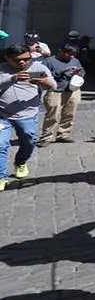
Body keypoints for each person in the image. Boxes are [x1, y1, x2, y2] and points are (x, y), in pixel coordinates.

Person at [0, 44, 55, 191]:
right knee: (1, 144)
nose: (23, 63)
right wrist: (12, 78)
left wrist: (44, 82)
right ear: (7, 58)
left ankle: (20, 162)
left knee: (29, 141)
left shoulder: (38, 68)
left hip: (28, 114)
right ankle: (1, 177)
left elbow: (53, 85)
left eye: (26, 59)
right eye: (17, 60)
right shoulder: (1, 69)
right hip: (2, 115)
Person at [38, 44, 86, 145]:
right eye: (69, 54)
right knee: (52, 115)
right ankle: (46, 137)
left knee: (69, 114)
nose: (71, 57)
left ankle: (63, 134)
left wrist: (78, 73)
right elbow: (41, 75)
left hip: (73, 90)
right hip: (55, 91)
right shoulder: (48, 61)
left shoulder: (75, 60)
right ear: (61, 51)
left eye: (73, 54)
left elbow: (82, 71)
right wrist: (61, 71)